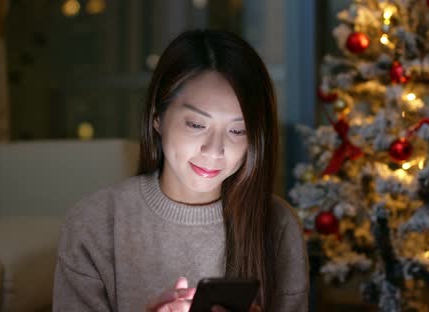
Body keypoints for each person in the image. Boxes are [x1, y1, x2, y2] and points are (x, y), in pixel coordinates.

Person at [52, 29, 309, 311]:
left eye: (238, 130)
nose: (214, 150)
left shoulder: (279, 226)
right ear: (157, 118)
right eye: (197, 125)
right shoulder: (95, 223)